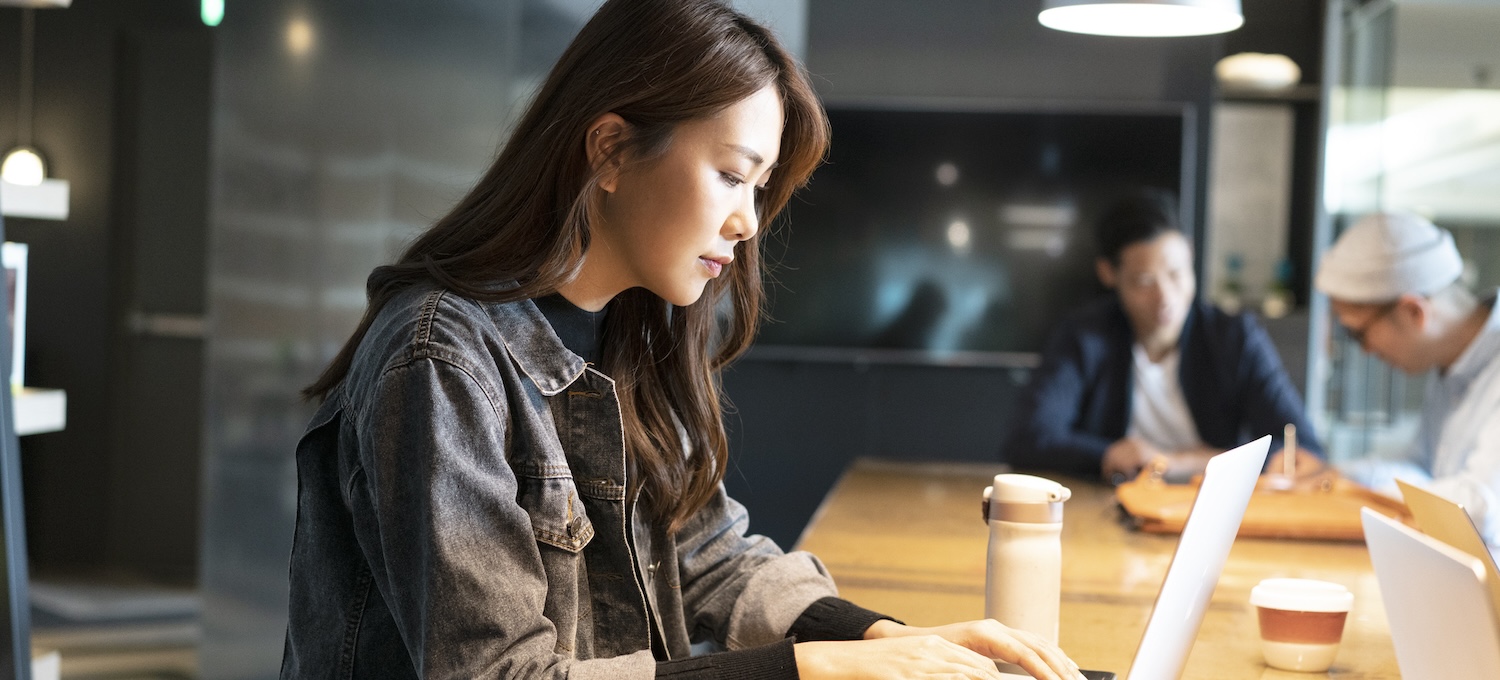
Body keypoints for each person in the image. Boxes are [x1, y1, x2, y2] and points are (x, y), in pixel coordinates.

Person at [280, 2, 1085, 679]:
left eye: (760, 188)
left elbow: (711, 552)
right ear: (611, 150)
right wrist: (816, 667)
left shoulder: (635, 327)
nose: (747, 222)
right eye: (733, 174)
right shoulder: (440, 358)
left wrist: (886, 639)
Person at [1005, 192, 1323, 483]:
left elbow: (1301, 449)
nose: (1165, 297)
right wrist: (1108, 455)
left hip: (1215, 508)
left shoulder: (1234, 337)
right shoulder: (1084, 336)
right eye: (1144, 281)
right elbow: (1028, 438)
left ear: (1191, 254)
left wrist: (1174, 462)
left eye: (1176, 273)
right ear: (1108, 273)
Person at [1315, 211, 1500, 545]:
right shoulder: (1450, 364)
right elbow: (1420, 469)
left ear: (1414, 312)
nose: (1366, 351)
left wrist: (1350, 491)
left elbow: (1482, 505)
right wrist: (1335, 476)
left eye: (1359, 334)